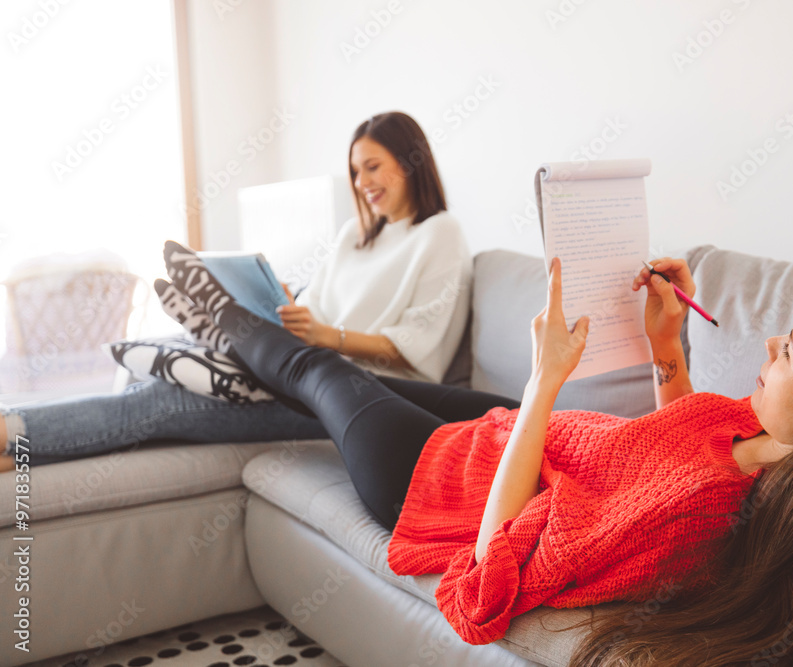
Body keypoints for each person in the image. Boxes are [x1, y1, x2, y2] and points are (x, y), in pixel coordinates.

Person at [89, 241, 793, 662]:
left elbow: (489, 579)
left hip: (430, 479)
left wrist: (544, 385)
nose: (767, 348)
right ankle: (226, 364)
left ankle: (221, 320)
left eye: (790, 352)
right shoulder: (767, 445)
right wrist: (667, 353)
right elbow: (661, 449)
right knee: (310, 381)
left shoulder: (708, 521)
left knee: (312, 367)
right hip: (513, 435)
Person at [0, 110, 472, 467]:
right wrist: (281, 303)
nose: (361, 182)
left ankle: (11, 434)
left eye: (372, 166)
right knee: (158, 358)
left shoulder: (440, 233)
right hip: (300, 370)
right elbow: (313, 310)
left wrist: (328, 338)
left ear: (411, 162)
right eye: (355, 171)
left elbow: (420, 349)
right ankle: (19, 446)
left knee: (163, 403)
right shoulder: (355, 235)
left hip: (354, 396)